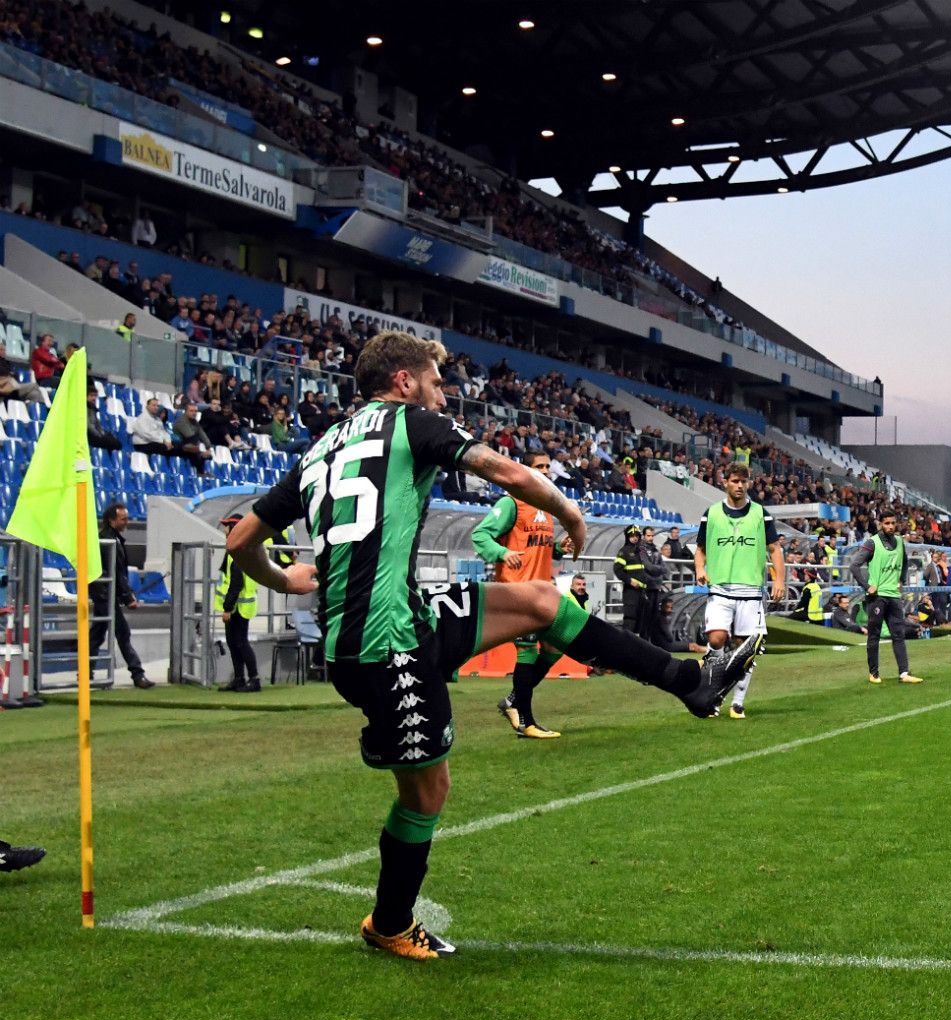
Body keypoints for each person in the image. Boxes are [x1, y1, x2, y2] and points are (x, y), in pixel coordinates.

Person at [226, 331, 759, 961]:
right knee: (427, 793)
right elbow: (502, 471)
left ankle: (693, 685)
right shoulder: (410, 421)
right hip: (382, 647)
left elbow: (240, 541)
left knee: (541, 603)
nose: (441, 391)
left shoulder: (322, 447)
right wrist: (570, 515)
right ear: (404, 382)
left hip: (404, 619)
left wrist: (285, 578)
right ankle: (390, 924)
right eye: (434, 379)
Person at [471, 451, 569, 739]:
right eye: (540, 466)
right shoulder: (510, 502)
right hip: (517, 592)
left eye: (548, 466)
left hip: (541, 592)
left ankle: (513, 700)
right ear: (525, 470)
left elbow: (541, 547)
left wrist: (561, 547)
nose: (546, 470)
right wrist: (502, 552)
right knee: (527, 651)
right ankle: (526, 722)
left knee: (555, 648)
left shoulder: (546, 509)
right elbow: (480, 535)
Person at [692, 461, 785, 719]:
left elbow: (775, 549)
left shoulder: (760, 513)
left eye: (743, 481)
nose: (739, 485)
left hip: (751, 590)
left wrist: (779, 581)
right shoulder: (711, 514)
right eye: (735, 481)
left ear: (749, 484)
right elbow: (700, 550)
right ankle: (713, 694)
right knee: (716, 639)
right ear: (725, 482)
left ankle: (738, 703)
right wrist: (700, 569)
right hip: (720, 588)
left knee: (745, 648)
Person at [846, 509, 921, 684]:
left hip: (894, 596)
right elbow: (854, 566)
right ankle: (874, 673)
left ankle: (904, 673)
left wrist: (902, 580)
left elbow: (904, 563)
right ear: (880, 524)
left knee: (899, 634)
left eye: (893, 523)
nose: (890, 526)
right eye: (886, 523)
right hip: (877, 597)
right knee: (874, 636)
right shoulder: (872, 543)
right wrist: (867, 586)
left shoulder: (900, 542)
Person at [90, 503, 154, 689]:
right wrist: (128, 598)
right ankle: (137, 674)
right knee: (122, 633)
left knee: (97, 634)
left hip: (105, 594)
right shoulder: (108, 541)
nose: (127, 521)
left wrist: (126, 594)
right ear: (111, 520)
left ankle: (86, 671)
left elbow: (118, 573)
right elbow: (116, 572)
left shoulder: (113, 539)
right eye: (123, 518)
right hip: (105, 595)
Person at [216, 514, 262, 692]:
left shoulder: (238, 550)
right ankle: (239, 678)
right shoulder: (238, 549)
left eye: (227, 526)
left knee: (241, 643)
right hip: (238, 606)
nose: (224, 530)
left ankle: (254, 679)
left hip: (239, 607)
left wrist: (228, 607)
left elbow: (236, 583)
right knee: (234, 642)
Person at [614, 525, 663, 641]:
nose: (634, 538)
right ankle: (625, 646)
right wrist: (630, 580)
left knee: (642, 620)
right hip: (631, 591)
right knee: (630, 619)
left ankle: (639, 648)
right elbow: (617, 570)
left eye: (636, 535)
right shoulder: (624, 551)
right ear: (627, 537)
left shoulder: (640, 551)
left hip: (642, 591)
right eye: (632, 536)